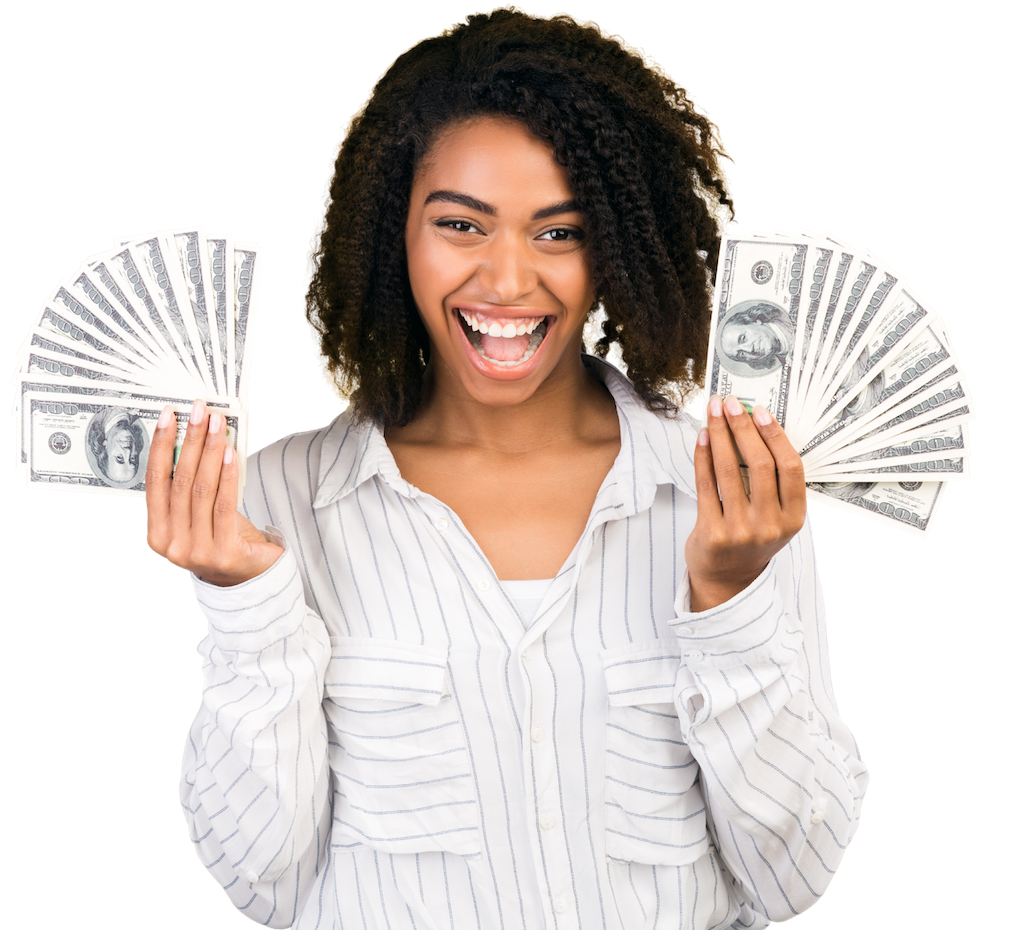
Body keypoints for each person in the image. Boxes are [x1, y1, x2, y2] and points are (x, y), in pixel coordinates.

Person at [143, 7, 869, 928]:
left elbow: (792, 876)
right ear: (389, 235)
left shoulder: (732, 493)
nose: (509, 282)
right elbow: (261, 883)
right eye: (462, 225)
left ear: (614, 248)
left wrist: (727, 598)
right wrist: (247, 602)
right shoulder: (277, 503)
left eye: (559, 233)